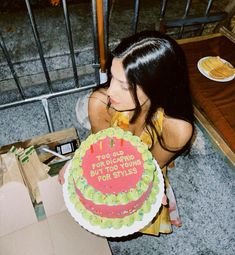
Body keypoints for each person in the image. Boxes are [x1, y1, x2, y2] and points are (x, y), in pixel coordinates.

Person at [59, 30, 194, 236]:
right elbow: (100, 148)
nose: (111, 91)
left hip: (140, 171)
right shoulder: (100, 102)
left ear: (156, 86)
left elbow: (153, 166)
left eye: (124, 85)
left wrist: (149, 191)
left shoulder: (177, 129)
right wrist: (77, 165)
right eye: (112, 77)